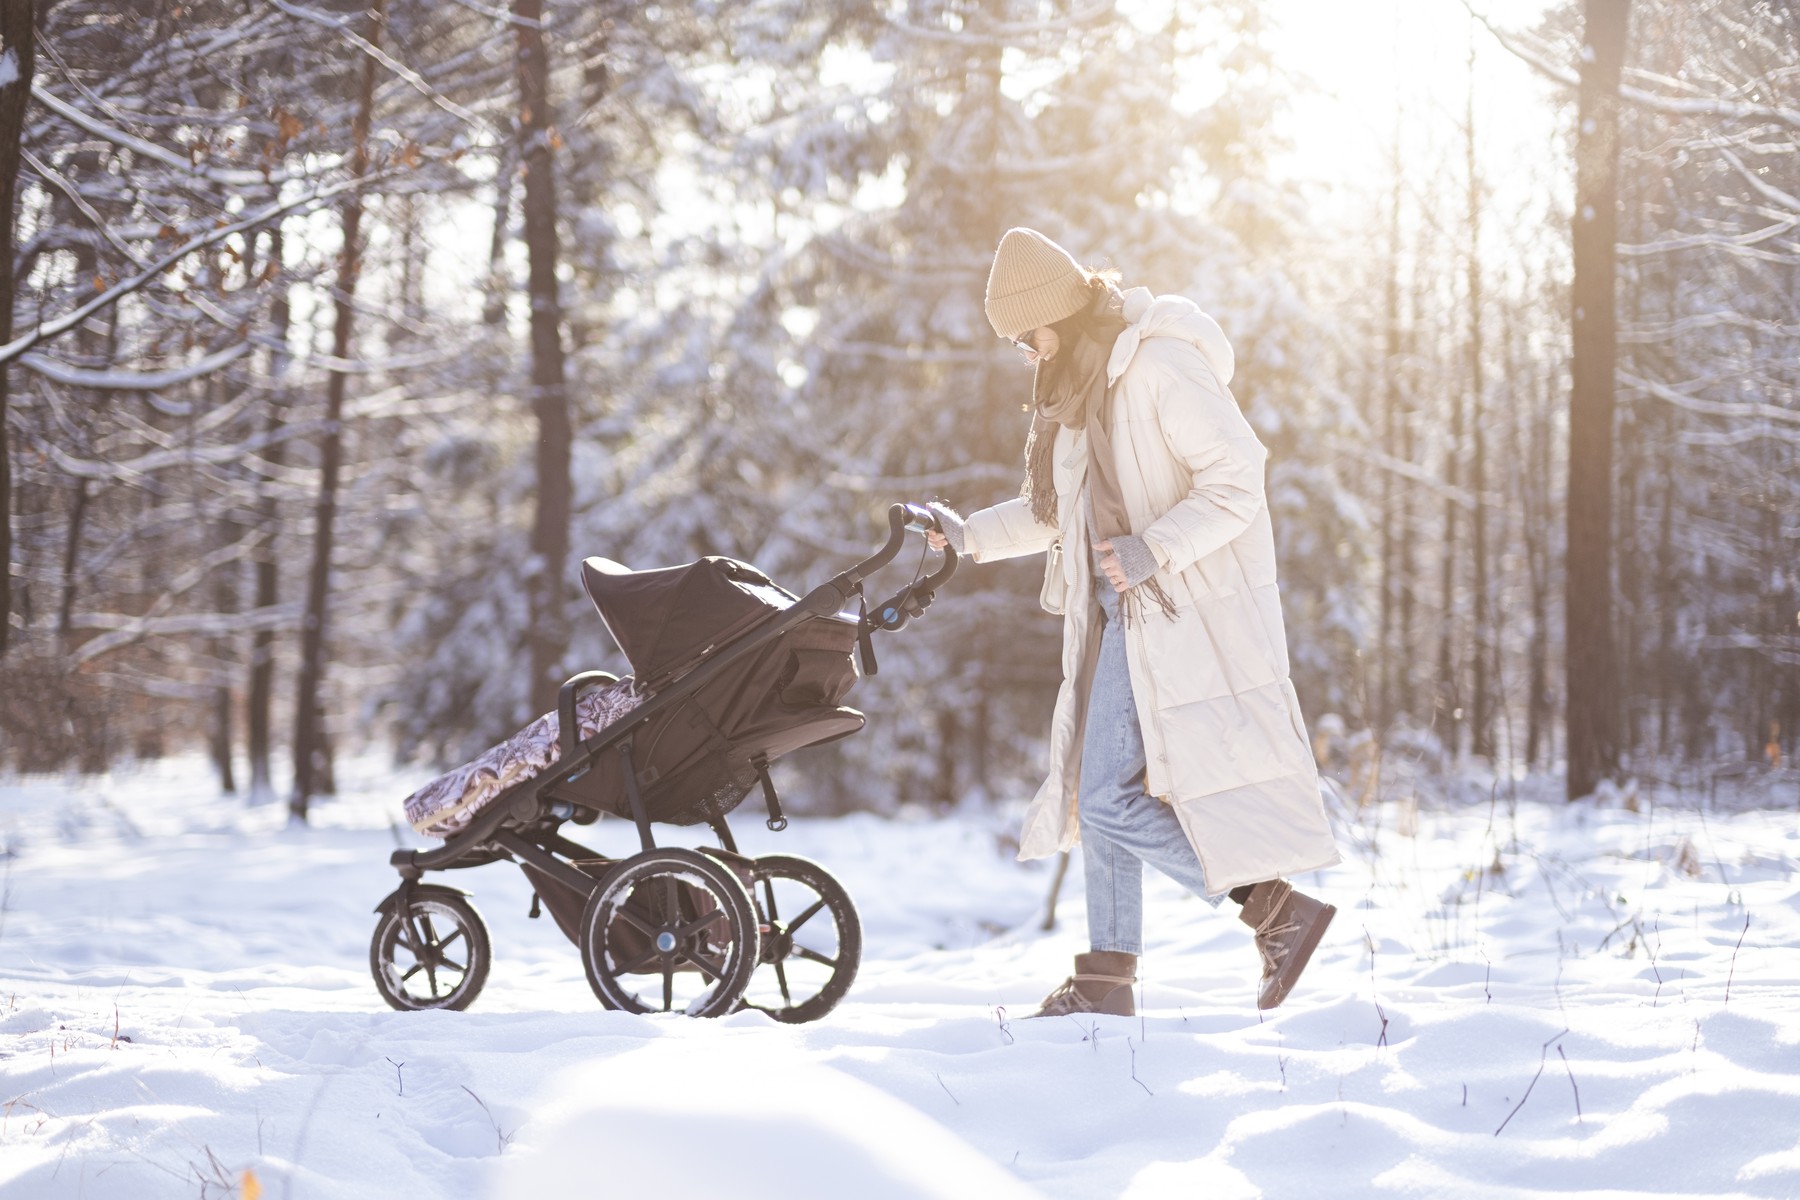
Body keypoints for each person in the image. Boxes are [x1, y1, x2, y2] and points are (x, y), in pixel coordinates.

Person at [925, 228, 1341, 1015]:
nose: (1025, 353)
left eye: (1027, 335)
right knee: (1100, 790)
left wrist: (1156, 547)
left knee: (1110, 796)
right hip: (1125, 611)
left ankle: (1276, 912)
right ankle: (1106, 978)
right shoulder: (1082, 393)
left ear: (1060, 315)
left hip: (1182, 604)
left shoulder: (1156, 366)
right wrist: (970, 534)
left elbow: (1239, 479)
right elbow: (1057, 512)